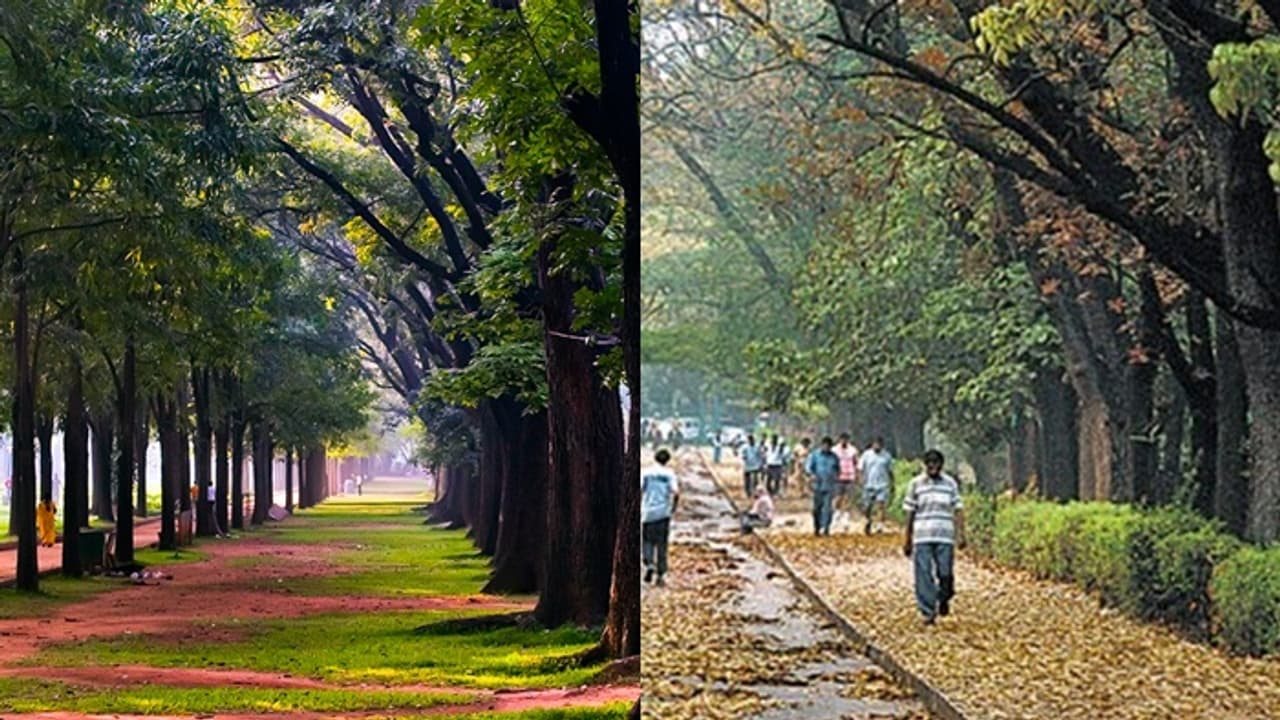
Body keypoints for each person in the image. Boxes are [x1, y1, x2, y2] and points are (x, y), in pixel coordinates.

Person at [903, 449, 966, 626]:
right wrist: (907, 538)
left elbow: (958, 509)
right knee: (923, 574)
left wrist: (962, 533)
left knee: (945, 573)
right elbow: (910, 512)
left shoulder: (950, 484)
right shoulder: (915, 484)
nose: (933, 467)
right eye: (929, 464)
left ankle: (944, 596)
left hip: (945, 535)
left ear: (941, 465)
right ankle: (928, 610)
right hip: (922, 535)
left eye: (936, 464)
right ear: (925, 465)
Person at [642, 449, 680, 586]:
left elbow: (640, 490)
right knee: (662, 544)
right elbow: (676, 493)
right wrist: (673, 508)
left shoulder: (646, 473)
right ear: (667, 460)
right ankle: (660, 575)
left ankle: (649, 563)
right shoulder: (670, 474)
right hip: (663, 514)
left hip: (648, 513)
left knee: (647, 542)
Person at [805, 436, 840, 536]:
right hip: (817, 486)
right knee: (817, 508)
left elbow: (837, 469)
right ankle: (817, 527)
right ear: (822, 445)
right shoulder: (815, 455)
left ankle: (826, 528)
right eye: (825, 446)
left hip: (829, 486)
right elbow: (808, 468)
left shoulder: (834, 457)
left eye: (828, 446)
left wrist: (835, 478)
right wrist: (812, 475)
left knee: (828, 508)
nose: (826, 448)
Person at [858, 436, 894, 535]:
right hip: (868, 484)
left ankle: (879, 525)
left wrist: (892, 484)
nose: (877, 446)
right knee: (867, 507)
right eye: (875, 444)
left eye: (879, 444)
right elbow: (861, 469)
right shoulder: (866, 455)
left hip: (882, 484)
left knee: (880, 505)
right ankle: (868, 521)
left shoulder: (887, 456)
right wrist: (861, 480)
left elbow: (890, 471)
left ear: (882, 445)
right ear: (872, 444)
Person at [833, 433, 861, 523]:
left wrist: (857, 475)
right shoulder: (834, 450)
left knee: (848, 496)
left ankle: (845, 513)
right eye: (842, 439)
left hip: (850, 476)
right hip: (838, 476)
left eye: (846, 439)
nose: (844, 441)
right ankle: (837, 512)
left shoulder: (853, 450)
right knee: (838, 496)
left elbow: (856, 463)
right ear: (839, 440)